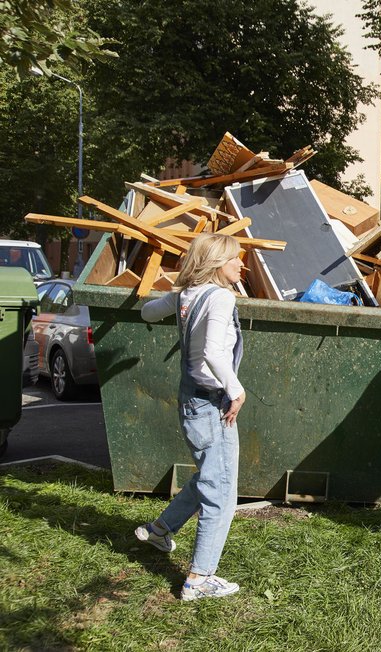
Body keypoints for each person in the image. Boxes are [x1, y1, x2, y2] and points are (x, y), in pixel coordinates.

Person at [135, 233, 247, 601]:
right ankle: (199, 580)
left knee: (209, 476)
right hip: (213, 403)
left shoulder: (187, 294)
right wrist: (235, 389)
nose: (241, 264)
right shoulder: (220, 296)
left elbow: (147, 312)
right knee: (221, 493)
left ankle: (160, 530)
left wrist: (171, 297)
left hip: (191, 400)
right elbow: (215, 351)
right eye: (235, 259)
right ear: (217, 264)